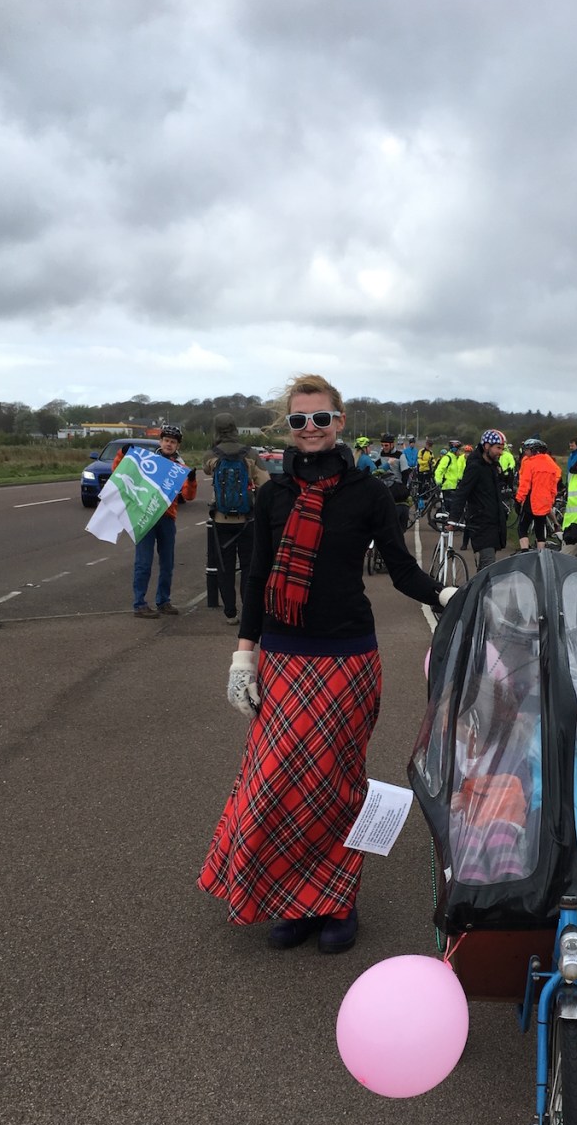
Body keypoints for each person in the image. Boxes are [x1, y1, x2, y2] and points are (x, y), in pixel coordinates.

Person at [198, 374, 453, 955]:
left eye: (319, 418)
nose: (309, 429)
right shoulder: (274, 495)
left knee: (335, 787)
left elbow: (401, 568)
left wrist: (444, 595)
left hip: (346, 657)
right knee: (277, 785)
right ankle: (292, 900)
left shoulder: (367, 492)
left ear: (339, 421)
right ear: (287, 428)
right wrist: (244, 655)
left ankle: (338, 901)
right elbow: (259, 576)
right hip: (286, 657)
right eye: (298, 420)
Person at [114, 425, 197, 618]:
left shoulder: (180, 467)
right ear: (160, 442)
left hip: (167, 519)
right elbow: (120, 471)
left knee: (167, 563)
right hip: (146, 517)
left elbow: (188, 495)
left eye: (173, 442)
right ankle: (139, 604)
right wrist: (122, 454)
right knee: (143, 562)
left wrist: (192, 480)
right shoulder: (147, 461)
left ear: (178, 445)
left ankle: (164, 601)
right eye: (166, 440)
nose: (169, 444)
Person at [203, 413, 270, 623]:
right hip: (247, 521)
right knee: (249, 567)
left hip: (221, 520)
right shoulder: (249, 453)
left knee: (225, 567)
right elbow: (265, 483)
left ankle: (230, 612)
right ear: (235, 428)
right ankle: (248, 609)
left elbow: (207, 469)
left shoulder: (211, 454)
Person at [447, 429, 509, 572]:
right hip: (480, 523)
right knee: (489, 565)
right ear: (487, 446)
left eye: (502, 448)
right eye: (498, 448)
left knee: (486, 567)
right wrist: (453, 518)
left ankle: (478, 592)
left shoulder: (492, 466)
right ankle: (482, 593)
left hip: (494, 522)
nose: (500, 452)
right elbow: (462, 492)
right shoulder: (475, 467)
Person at [515, 438, 562, 550]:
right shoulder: (550, 463)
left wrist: (518, 499)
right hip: (544, 501)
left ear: (534, 450)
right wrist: (551, 497)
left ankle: (524, 552)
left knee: (522, 528)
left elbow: (525, 484)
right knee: (540, 528)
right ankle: (541, 554)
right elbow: (556, 478)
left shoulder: (529, 463)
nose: (525, 452)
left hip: (531, 500)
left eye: (527, 450)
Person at [433, 438, 466, 518]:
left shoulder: (455, 459)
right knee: (449, 508)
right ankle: (446, 524)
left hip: (453, 486)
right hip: (447, 486)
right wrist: (438, 481)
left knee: (453, 507)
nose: (460, 452)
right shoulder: (447, 458)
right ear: (454, 449)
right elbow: (439, 471)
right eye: (459, 450)